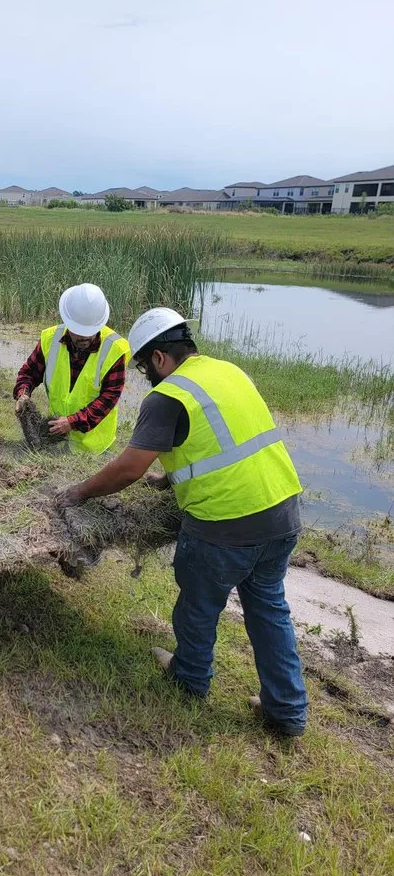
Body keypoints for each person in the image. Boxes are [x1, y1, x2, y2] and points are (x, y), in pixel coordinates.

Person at [57, 307, 308, 737]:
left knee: (198, 603)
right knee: (269, 609)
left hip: (225, 526)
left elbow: (127, 469)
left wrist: (77, 492)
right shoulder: (229, 371)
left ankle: (189, 679)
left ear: (158, 359)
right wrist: (170, 477)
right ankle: (286, 711)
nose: (146, 377)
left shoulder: (168, 396)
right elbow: (225, 442)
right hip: (283, 513)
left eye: (144, 367)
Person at [14, 283, 131, 454]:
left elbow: (109, 397)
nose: (84, 336)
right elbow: (29, 373)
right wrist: (23, 394)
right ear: (68, 322)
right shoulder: (50, 339)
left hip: (95, 447)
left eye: (89, 331)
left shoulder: (115, 349)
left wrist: (73, 422)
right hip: (57, 439)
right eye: (78, 331)